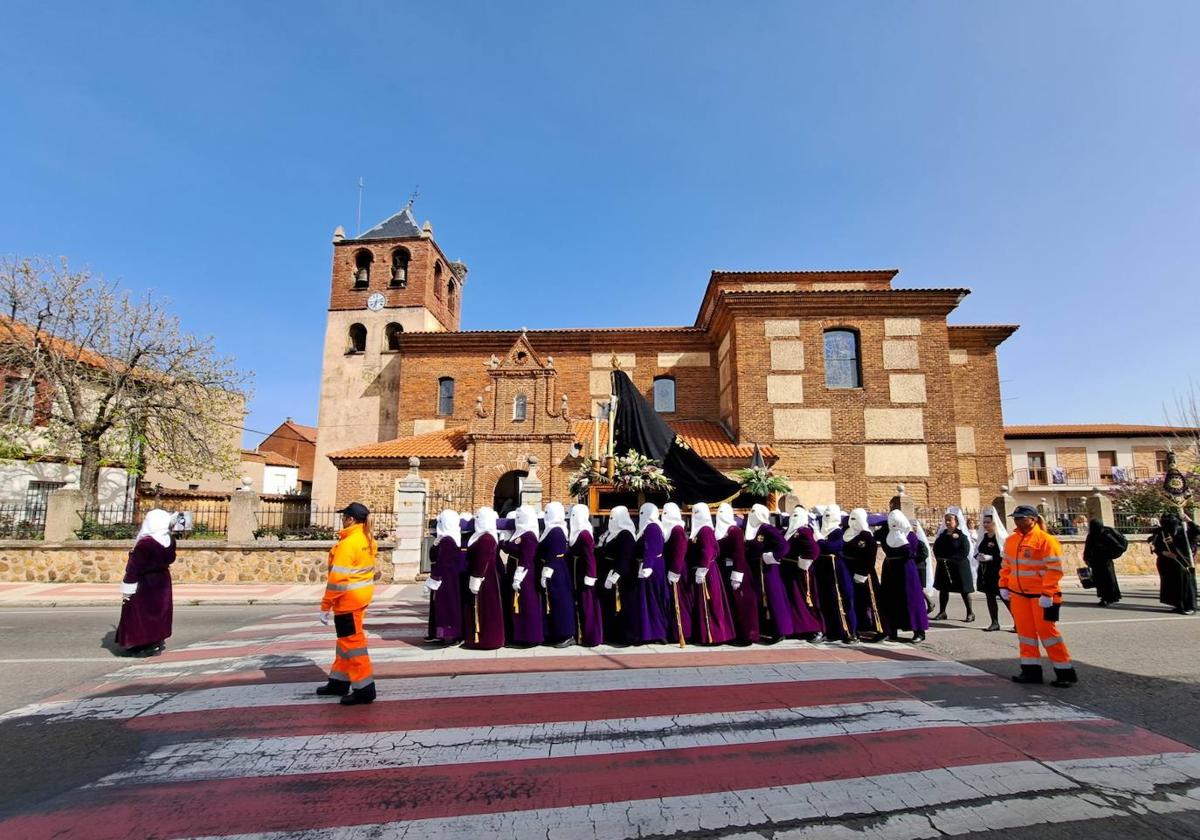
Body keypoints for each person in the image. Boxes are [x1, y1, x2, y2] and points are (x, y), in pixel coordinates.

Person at [1001, 504, 1077, 688]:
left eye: (1021, 518)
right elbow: (1006, 566)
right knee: (1025, 634)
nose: (1017, 521)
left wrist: (1048, 592)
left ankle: (1064, 672)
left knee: (1048, 634)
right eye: (1015, 518)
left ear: (1033, 519)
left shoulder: (1046, 540)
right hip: (1018, 594)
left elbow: (1054, 570)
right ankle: (1030, 671)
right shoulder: (1011, 540)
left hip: (1041, 596)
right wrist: (1003, 585)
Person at [316, 502, 378, 705]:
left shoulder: (348, 543)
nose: (342, 520)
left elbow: (337, 579)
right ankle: (339, 681)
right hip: (360, 597)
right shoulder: (367, 539)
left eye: (344, 517)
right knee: (345, 642)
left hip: (347, 601)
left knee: (353, 644)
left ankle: (364, 689)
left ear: (351, 519)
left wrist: (326, 605)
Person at [115, 508, 177, 657]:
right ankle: (155, 641)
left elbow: (134, 567)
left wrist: (128, 585)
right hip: (162, 580)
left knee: (139, 613)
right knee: (159, 612)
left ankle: (141, 643)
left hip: (145, 583)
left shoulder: (145, 543)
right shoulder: (170, 540)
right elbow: (171, 559)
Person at [744, 504, 795, 642]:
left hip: (768, 569)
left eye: (755, 512)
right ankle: (766, 629)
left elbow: (784, 545)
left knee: (774, 597)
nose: (752, 515)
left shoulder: (767, 529)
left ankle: (780, 630)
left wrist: (773, 556)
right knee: (761, 599)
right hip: (755, 569)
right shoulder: (751, 529)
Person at [687, 503, 736, 644]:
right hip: (704, 570)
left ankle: (714, 635)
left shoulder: (706, 530)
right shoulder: (700, 530)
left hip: (708, 571)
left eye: (697, 513)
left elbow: (708, 551)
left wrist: (702, 570)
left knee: (711, 603)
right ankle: (705, 634)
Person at [879, 510, 929, 643]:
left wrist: (902, 541)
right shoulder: (886, 534)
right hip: (890, 569)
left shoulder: (910, 535)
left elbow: (912, 552)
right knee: (890, 600)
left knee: (911, 599)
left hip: (906, 569)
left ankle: (919, 631)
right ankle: (891, 630)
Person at [500, 506, 544, 647]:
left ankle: (530, 637)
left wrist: (519, 576)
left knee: (526, 603)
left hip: (525, 574)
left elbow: (527, 557)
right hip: (515, 569)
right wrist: (504, 540)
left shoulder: (529, 535)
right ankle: (518, 635)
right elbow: (509, 548)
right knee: (517, 603)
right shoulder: (520, 533)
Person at [464, 506, 506, 650]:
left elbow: (482, 560)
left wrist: (476, 577)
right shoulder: (484, 536)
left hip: (484, 579)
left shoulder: (486, 539)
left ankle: (486, 639)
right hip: (486, 577)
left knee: (485, 608)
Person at [716, 502, 759, 644]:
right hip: (725, 570)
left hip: (737, 571)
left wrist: (737, 575)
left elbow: (739, 554)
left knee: (742, 604)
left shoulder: (735, 531)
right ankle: (734, 633)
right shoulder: (720, 531)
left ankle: (747, 636)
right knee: (731, 604)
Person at [815, 504, 857, 643]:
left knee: (843, 599)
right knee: (826, 600)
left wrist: (820, 540)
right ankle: (831, 630)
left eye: (829, 516)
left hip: (837, 570)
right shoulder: (821, 531)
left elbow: (831, 547)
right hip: (823, 570)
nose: (827, 519)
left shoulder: (838, 532)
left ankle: (849, 631)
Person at [842, 508, 886, 642]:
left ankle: (882, 629)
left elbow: (869, 557)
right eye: (851, 518)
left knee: (872, 601)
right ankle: (857, 628)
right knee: (855, 601)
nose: (853, 521)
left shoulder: (866, 536)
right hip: (848, 571)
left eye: (856, 518)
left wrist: (861, 574)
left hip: (864, 573)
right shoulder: (846, 533)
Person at [782, 506, 824, 641]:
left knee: (806, 599)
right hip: (788, 570)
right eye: (792, 515)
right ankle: (800, 628)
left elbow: (814, 550)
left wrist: (804, 562)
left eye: (796, 516)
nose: (793, 518)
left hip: (800, 571)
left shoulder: (803, 531)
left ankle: (815, 629)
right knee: (794, 600)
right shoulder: (790, 531)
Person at [598, 505, 638, 645]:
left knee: (621, 605)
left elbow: (625, 557)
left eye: (614, 517)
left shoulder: (625, 534)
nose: (611, 520)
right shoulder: (612, 533)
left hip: (620, 576)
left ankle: (624, 636)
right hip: (608, 572)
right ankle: (612, 633)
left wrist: (616, 574)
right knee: (610, 605)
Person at [632, 503, 671, 644]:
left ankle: (658, 632)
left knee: (652, 600)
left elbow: (651, 548)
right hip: (652, 566)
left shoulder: (652, 527)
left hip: (651, 568)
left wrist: (647, 566)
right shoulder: (651, 527)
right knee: (648, 600)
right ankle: (649, 632)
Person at [538, 502, 576, 647]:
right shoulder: (551, 529)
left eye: (548, 513)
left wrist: (546, 571)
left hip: (555, 571)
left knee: (561, 603)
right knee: (552, 602)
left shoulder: (557, 531)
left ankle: (566, 634)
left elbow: (555, 552)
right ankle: (554, 633)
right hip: (552, 569)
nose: (546, 515)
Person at [424, 509, 464, 644]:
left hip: (445, 580)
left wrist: (434, 578)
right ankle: (441, 634)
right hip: (446, 578)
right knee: (441, 607)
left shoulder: (447, 541)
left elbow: (443, 562)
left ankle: (449, 635)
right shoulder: (446, 539)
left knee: (447, 607)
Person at [568, 503, 604, 646]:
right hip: (577, 570)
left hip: (584, 572)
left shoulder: (584, 533)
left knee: (587, 604)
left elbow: (590, 556)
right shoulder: (577, 533)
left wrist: (591, 575)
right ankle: (580, 634)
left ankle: (590, 637)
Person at [1149, 511, 1198, 615]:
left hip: (1182, 562)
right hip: (1166, 562)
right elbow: (1155, 546)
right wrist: (1163, 552)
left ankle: (1189, 606)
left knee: (1185, 584)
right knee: (1172, 585)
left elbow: (1197, 531)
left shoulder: (1184, 531)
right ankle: (1178, 605)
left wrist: (1189, 521)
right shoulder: (1161, 532)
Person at [933, 507, 975, 622]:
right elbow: (936, 548)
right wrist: (940, 559)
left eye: (949, 520)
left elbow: (964, 551)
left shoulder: (961, 536)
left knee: (964, 590)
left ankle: (970, 612)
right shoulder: (942, 536)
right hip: (944, 565)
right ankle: (942, 612)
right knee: (943, 589)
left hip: (959, 566)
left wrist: (952, 560)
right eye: (945, 520)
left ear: (956, 521)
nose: (947, 522)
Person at [974, 507, 1010, 631]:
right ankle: (994, 622)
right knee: (990, 597)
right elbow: (976, 550)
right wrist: (979, 556)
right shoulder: (983, 538)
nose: (985, 525)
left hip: (998, 572)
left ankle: (1018, 622)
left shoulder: (1000, 538)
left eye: (988, 522)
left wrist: (992, 558)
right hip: (986, 572)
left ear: (994, 523)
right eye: (984, 522)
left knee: (1005, 598)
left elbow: (1005, 556)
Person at [661, 502, 692, 643]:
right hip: (670, 568)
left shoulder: (677, 529)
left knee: (680, 602)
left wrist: (675, 571)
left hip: (677, 570)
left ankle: (684, 633)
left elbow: (680, 552)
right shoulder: (669, 529)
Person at [1083, 518, 1127, 607]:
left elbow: (1118, 546)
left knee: (1108, 579)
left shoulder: (1105, 534)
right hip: (1095, 561)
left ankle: (1110, 597)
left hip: (1105, 561)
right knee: (1099, 580)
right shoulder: (1091, 535)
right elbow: (1087, 548)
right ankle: (1104, 597)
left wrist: (1106, 552)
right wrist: (1086, 558)